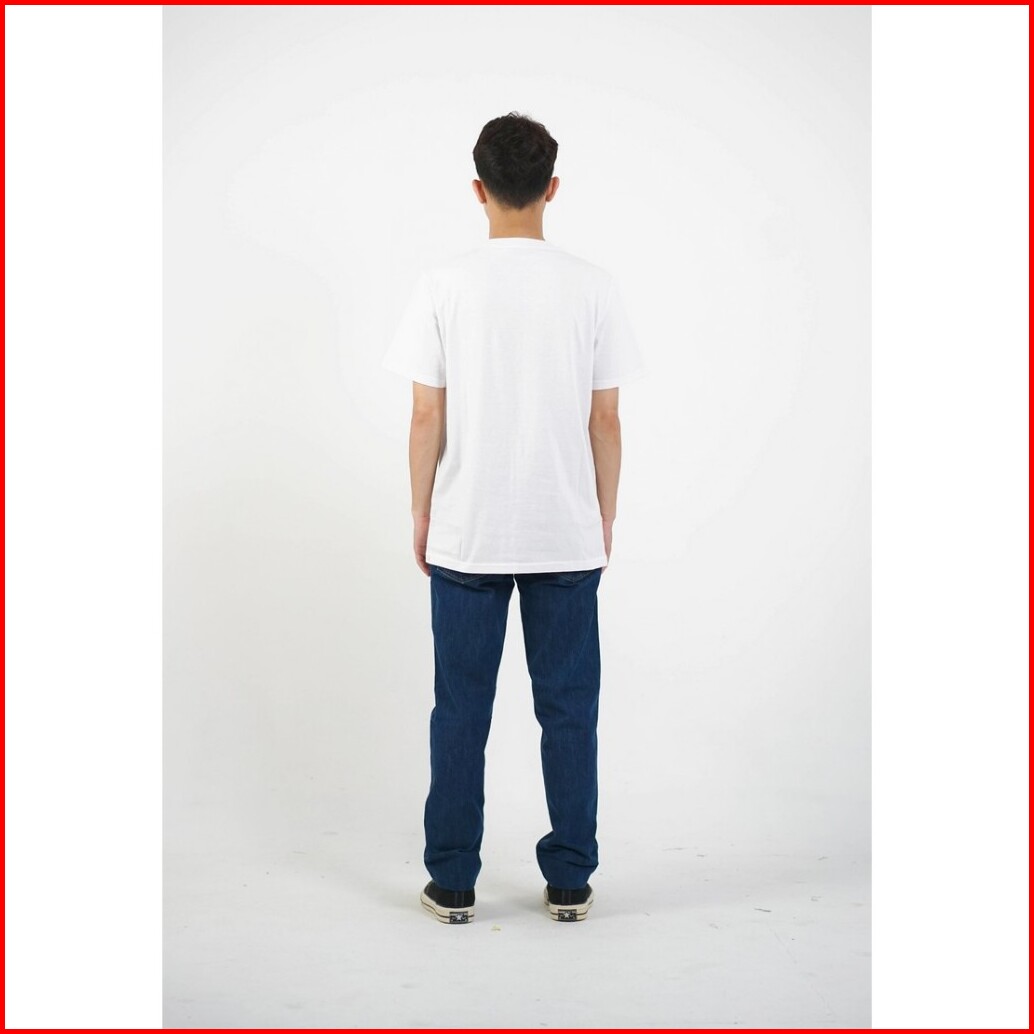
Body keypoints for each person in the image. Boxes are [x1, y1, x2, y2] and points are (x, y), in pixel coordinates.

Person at [381, 111, 646, 924]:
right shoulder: (593, 285)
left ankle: (454, 880)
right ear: (552, 188)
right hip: (563, 529)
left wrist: (423, 511)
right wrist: (603, 515)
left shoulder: (444, 284)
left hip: (469, 529)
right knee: (569, 709)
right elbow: (606, 419)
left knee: (460, 709)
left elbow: (426, 415)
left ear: (479, 189)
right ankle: (570, 880)